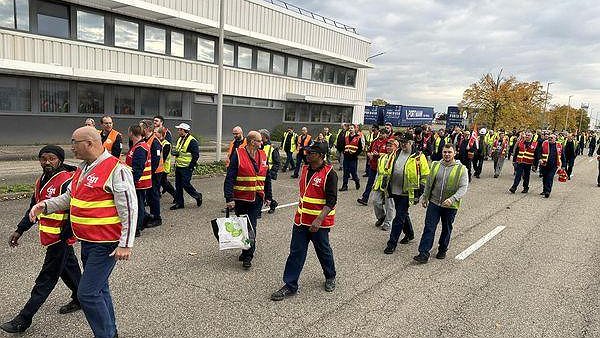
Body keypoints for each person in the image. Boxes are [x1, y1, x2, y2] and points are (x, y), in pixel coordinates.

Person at [29, 126, 137, 338]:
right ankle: (110, 332)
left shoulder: (117, 169)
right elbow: (70, 197)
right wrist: (45, 205)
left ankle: (104, 334)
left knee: (87, 294)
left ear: (89, 143)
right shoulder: (83, 168)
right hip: (87, 241)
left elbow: (130, 208)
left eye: (74, 142)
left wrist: (126, 244)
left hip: (106, 243)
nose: (72, 147)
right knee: (99, 289)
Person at [1, 146, 82, 334]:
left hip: (60, 239)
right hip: (51, 238)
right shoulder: (40, 181)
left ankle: (24, 318)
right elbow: (33, 208)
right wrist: (20, 230)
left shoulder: (67, 181)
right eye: (43, 158)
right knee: (68, 269)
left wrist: (66, 235)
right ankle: (81, 297)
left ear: (60, 160)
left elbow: (74, 209)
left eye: (51, 158)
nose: (47, 162)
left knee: (46, 279)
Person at [270, 142, 338, 301]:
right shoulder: (305, 169)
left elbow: (332, 200)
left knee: (323, 250)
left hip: (319, 223)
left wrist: (319, 219)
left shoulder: (330, 174)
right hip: (301, 220)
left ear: (320, 156)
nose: (307, 155)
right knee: (296, 253)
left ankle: (330, 276)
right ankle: (290, 285)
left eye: (311, 153)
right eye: (306, 152)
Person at [224, 131, 272, 269]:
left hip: (256, 199)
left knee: (251, 227)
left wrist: (268, 196)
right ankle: (245, 250)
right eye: (259, 141)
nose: (261, 143)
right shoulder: (238, 154)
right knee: (241, 226)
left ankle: (248, 256)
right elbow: (230, 177)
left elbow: (267, 177)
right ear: (252, 142)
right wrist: (229, 198)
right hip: (241, 198)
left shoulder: (263, 155)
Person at [414, 143, 469, 263]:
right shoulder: (435, 165)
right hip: (434, 202)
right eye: (445, 152)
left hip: (450, 205)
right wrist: (425, 197)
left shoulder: (461, 169)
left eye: (449, 152)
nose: (447, 154)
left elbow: (463, 187)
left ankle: (443, 249)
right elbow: (429, 183)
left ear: (455, 153)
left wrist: (452, 199)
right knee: (429, 227)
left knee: (446, 228)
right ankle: (423, 253)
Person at [384, 132, 430, 254]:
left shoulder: (419, 157)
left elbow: (425, 176)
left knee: (399, 216)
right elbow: (388, 169)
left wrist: (420, 192)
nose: (403, 144)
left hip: (407, 192)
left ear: (411, 143)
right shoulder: (396, 153)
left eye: (405, 142)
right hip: (394, 189)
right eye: (401, 142)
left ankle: (391, 243)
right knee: (402, 213)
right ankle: (409, 234)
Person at [126, 125, 152, 237]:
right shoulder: (138, 146)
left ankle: (137, 228)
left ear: (131, 133)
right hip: (139, 181)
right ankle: (145, 219)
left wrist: (132, 182)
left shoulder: (140, 148)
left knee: (137, 205)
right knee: (138, 204)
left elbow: (138, 168)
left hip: (139, 182)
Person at [171, 123, 202, 209]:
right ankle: (179, 203)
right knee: (178, 185)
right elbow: (180, 150)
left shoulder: (192, 141)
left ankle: (197, 195)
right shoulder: (180, 139)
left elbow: (196, 155)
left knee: (185, 184)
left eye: (180, 129)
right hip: (179, 166)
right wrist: (176, 153)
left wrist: (191, 166)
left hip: (187, 167)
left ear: (184, 130)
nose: (178, 131)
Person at [140, 120, 163, 228]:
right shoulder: (146, 139)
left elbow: (155, 160)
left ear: (147, 129)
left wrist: (150, 173)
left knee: (153, 195)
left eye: (141, 128)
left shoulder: (155, 142)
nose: (139, 130)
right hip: (149, 173)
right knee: (149, 196)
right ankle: (151, 216)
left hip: (154, 173)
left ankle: (157, 218)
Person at [371, 138, 398, 231]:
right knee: (375, 201)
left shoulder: (397, 159)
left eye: (391, 146)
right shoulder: (382, 157)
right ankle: (381, 217)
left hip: (390, 184)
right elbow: (378, 172)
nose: (388, 147)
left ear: (396, 147)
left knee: (389, 205)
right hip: (380, 183)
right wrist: (375, 183)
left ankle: (388, 223)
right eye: (387, 146)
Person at [357, 128, 389, 205]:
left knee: (382, 184)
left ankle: (383, 199)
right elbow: (368, 150)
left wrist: (378, 154)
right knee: (369, 183)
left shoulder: (388, 143)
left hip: (382, 168)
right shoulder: (374, 141)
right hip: (373, 165)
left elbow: (389, 154)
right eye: (380, 133)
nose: (381, 135)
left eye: (383, 133)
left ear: (386, 135)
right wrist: (369, 154)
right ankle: (365, 198)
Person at [259, 129, 280, 215]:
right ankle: (271, 203)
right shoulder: (259, 146)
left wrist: (271, 173)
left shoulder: (272, 148)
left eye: (260, 135)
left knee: (264, 191)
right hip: (258, 173)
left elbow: (277, 162)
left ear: (265, 137)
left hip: (267, 173)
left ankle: (272, 204)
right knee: (260, 191)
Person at [539, 133, 565, 198]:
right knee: (545, 178)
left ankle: (548, 191)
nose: (550, 139)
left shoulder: (559, 145)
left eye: (551, 138)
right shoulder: (544, 144)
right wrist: (540, 159)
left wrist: (563, 165)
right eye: (549, 137)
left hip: (554, 165)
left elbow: (562, 156)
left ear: (555, 139)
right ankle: (544, 190)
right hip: (544, 164)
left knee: (550, 177)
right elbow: (539, 152)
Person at [339, 124, 362, 191]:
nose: (350, 129)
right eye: (349, 128)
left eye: (351, 128)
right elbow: (343, 146)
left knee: (353, 172)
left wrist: (355, 154)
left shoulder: (358, 138)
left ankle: (357, 180)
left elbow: (360, 148)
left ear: (355, 129)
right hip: (346, 157)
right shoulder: (346, 137)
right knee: (345, 172)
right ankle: (344, 186)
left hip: (353, 158)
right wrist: (344, 151)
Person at [156, 127, 176, 199]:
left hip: (164, 167)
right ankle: (157, 195)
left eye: (156, 132)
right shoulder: (158, 142)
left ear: (161, 134)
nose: (154, 133)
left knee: (164, 183)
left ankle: (175, 195)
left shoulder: (166, 144)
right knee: (160, 182)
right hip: (159, 167)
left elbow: (163, 157)